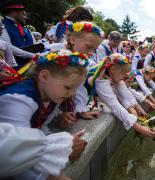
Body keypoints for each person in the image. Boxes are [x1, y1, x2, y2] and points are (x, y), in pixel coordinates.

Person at [0, 49, 89, 179]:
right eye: (69, 87)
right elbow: (15, 150)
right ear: (44, 76)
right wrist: (62, 146)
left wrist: (67, 145)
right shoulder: (19, 99)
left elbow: (39, 129)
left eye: (76, 88)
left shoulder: (50, 95)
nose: (73, 93)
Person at [46, 21, 104, 126]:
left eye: (94, 50)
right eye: (88, 47)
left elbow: (78, 87)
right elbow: (45, 88)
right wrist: (56, 115)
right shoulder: (54, 52)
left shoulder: (82, 60)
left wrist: (81, 109)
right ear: (72, 39)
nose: (91, 53)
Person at [87, 54, 155, 137]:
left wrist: (139, 109)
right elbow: (113, 104)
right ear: (112, 69)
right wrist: (138, 127)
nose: (124, 77)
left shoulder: (112, 74)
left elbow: (125, 92)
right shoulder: (101, 80)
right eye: (123, 74)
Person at [0, 1, 36, 67]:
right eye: (23, 14)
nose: (26, 17)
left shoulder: (26, 29)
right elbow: (8, 47)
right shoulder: (2, 25)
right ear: (13, 13)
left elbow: (36, 46)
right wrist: (33, 55)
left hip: (31, 66)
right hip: (15, 68)